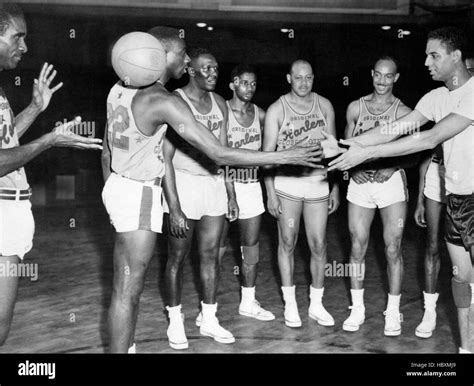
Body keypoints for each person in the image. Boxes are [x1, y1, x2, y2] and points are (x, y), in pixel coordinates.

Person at [101, 28, 324, 353]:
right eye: (182, 53)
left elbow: (106, 151)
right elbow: (218, 153)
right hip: (139, 193)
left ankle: (130, 346)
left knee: (126, 288)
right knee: (127, 291)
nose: (187, 59)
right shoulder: (162, 100)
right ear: (161, 55)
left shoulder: (119, 88)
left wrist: (112, 189)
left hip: (119, 185)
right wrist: (286, 156)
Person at [326, 27, 473, 353]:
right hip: (456, 199)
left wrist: (369, 154)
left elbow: (428, 139)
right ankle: (466, 351)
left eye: (433, 55)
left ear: (456, 56)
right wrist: (352, 144)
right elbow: (396, 128)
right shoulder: (435, 98)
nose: (426, 62)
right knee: (463, 281)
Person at [0, 3, 103, 346]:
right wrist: (51, 139)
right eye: (18, 37)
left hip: (12, 210)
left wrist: (34, 109)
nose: (25, 47)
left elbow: (5, 140)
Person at [162, 48, 238, 348]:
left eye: (216, 68)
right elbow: (165, 159)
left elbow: (225, 152)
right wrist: (175, 205)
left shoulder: (220, 103)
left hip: (213, 184)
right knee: (177, 258)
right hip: (183, 184)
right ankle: (175, 319)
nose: (213, 73)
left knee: (210, 256)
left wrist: (230, 193)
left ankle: (208, 318)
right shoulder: (174, 102)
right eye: (206, 68)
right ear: (190, 70)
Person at [263, 59, 339, 328]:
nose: (303, 82)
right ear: (288, 78)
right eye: (298, 77)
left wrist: (335, 186)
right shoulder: (277, 109)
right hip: (287, 183)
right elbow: (267, 156)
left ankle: (317, 304)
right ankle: (291, 304)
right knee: (288, 242)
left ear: (313, 78)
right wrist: (270, 193)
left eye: (308, 77)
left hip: (317, 182)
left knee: (319, 244)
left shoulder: (325, 105)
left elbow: (333, 152)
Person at [341, 56, 412, 336]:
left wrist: (392, 166)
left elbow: (416, 149)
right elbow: (343, 147)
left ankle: (393, 312)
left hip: (390, 183)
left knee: (392, 247)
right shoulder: (355, 107)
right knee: (357, 245)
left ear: (396, 78)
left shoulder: (404, 111)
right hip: (360, 184)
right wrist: (352, 169)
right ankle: (357, 309)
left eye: (388, 76)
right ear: (372, 74)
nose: (382, 81)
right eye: (378, 75)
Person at [218, 64, 274, 322]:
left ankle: (248, 302)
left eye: (253, 83)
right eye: (244, 83)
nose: (249, 88)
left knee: (250, 247)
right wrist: (230, 195)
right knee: (216, 248)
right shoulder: (222, 113)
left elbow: (270, 155)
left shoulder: (261, 115)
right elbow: (221, 158)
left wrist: (270, 190)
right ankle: (210, 307)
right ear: (232, 84)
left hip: (251, 186)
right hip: (222, 185)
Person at [413, 145, 445, 338]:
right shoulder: (435, 116)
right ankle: (429, 311)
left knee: (467, 246)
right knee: (432, 246)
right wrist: (419, 200)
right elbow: (425, 160)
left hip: (466, 172)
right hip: (436, 170)